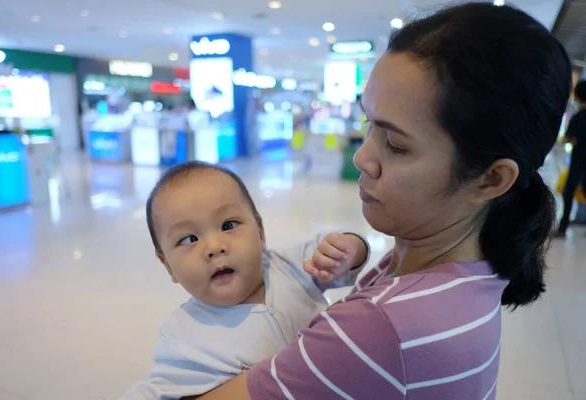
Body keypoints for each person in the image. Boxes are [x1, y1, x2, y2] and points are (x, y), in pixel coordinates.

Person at [194, 3, 572, 399]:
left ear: (490, 179)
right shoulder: (472, 272)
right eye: (368, 124)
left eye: (395, 145)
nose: (362, 158)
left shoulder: (384, 325)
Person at [121, 161, 370, 399]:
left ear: (260, 233)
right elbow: (156, 390)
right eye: (189, 239)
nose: (214, 247)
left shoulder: (289, 265)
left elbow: (339, 252)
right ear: (168, 265)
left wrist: (349, 249)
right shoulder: (182, 333)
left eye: (228, 225)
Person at [556, 81, 586, 237]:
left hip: (578, 160)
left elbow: (568, 139)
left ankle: (563, 227)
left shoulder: (579, 117)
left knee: (569, 192)